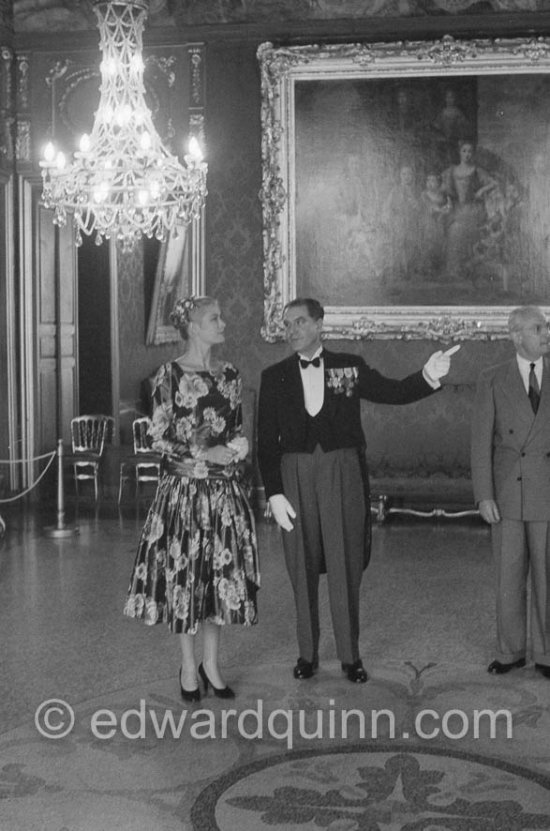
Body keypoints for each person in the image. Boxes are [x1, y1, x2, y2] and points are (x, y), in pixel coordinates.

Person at [257, 298, 459, 683]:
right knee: (301, 566)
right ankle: (307, 655)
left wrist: (428, 375)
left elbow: (393, 392)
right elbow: (266, 440)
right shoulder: (274, 375)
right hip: (295, 473)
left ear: (319, 324)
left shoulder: (349, 365)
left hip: (343, 471)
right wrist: (274, 492)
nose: (293, 330)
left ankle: (350, 656)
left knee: (345, 561)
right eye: (287, 324)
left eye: (300, 322)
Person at [123, 296, 260, 701]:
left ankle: (212, 665)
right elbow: (159, 437)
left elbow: (233, 428)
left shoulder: (230, 375)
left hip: (222, 493)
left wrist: (240, 445)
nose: (222, 322)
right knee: (185, 579)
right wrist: (204, 453)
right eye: (214, 318)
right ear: (194, 328)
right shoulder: (167, 376)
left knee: (217, 582)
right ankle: (187, 666)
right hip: (182, 494)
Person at [471, 305, 550, 680]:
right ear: (516, 335)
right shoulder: (492, 378)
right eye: (538, 328)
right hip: (507, 493)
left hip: (548, 490)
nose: (545, 334)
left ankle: (548, 653)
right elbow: (480, 442)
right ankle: (510, 651)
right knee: (509, 574)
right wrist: (484, 495)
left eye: (545, 327)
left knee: (548, 576)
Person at [441, 139, 498, 281]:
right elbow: (445, 190)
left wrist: (481, 191)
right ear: (460, 153)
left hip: (473, 209)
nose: (467, 154)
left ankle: (472, 271)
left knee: (471, 233)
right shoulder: (452, 170)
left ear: (473, 154)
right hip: (458, 209)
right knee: (454, 232)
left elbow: (494, 183)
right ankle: (455, 271)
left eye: (470, 151)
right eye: (464, 151)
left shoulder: (477, 170)